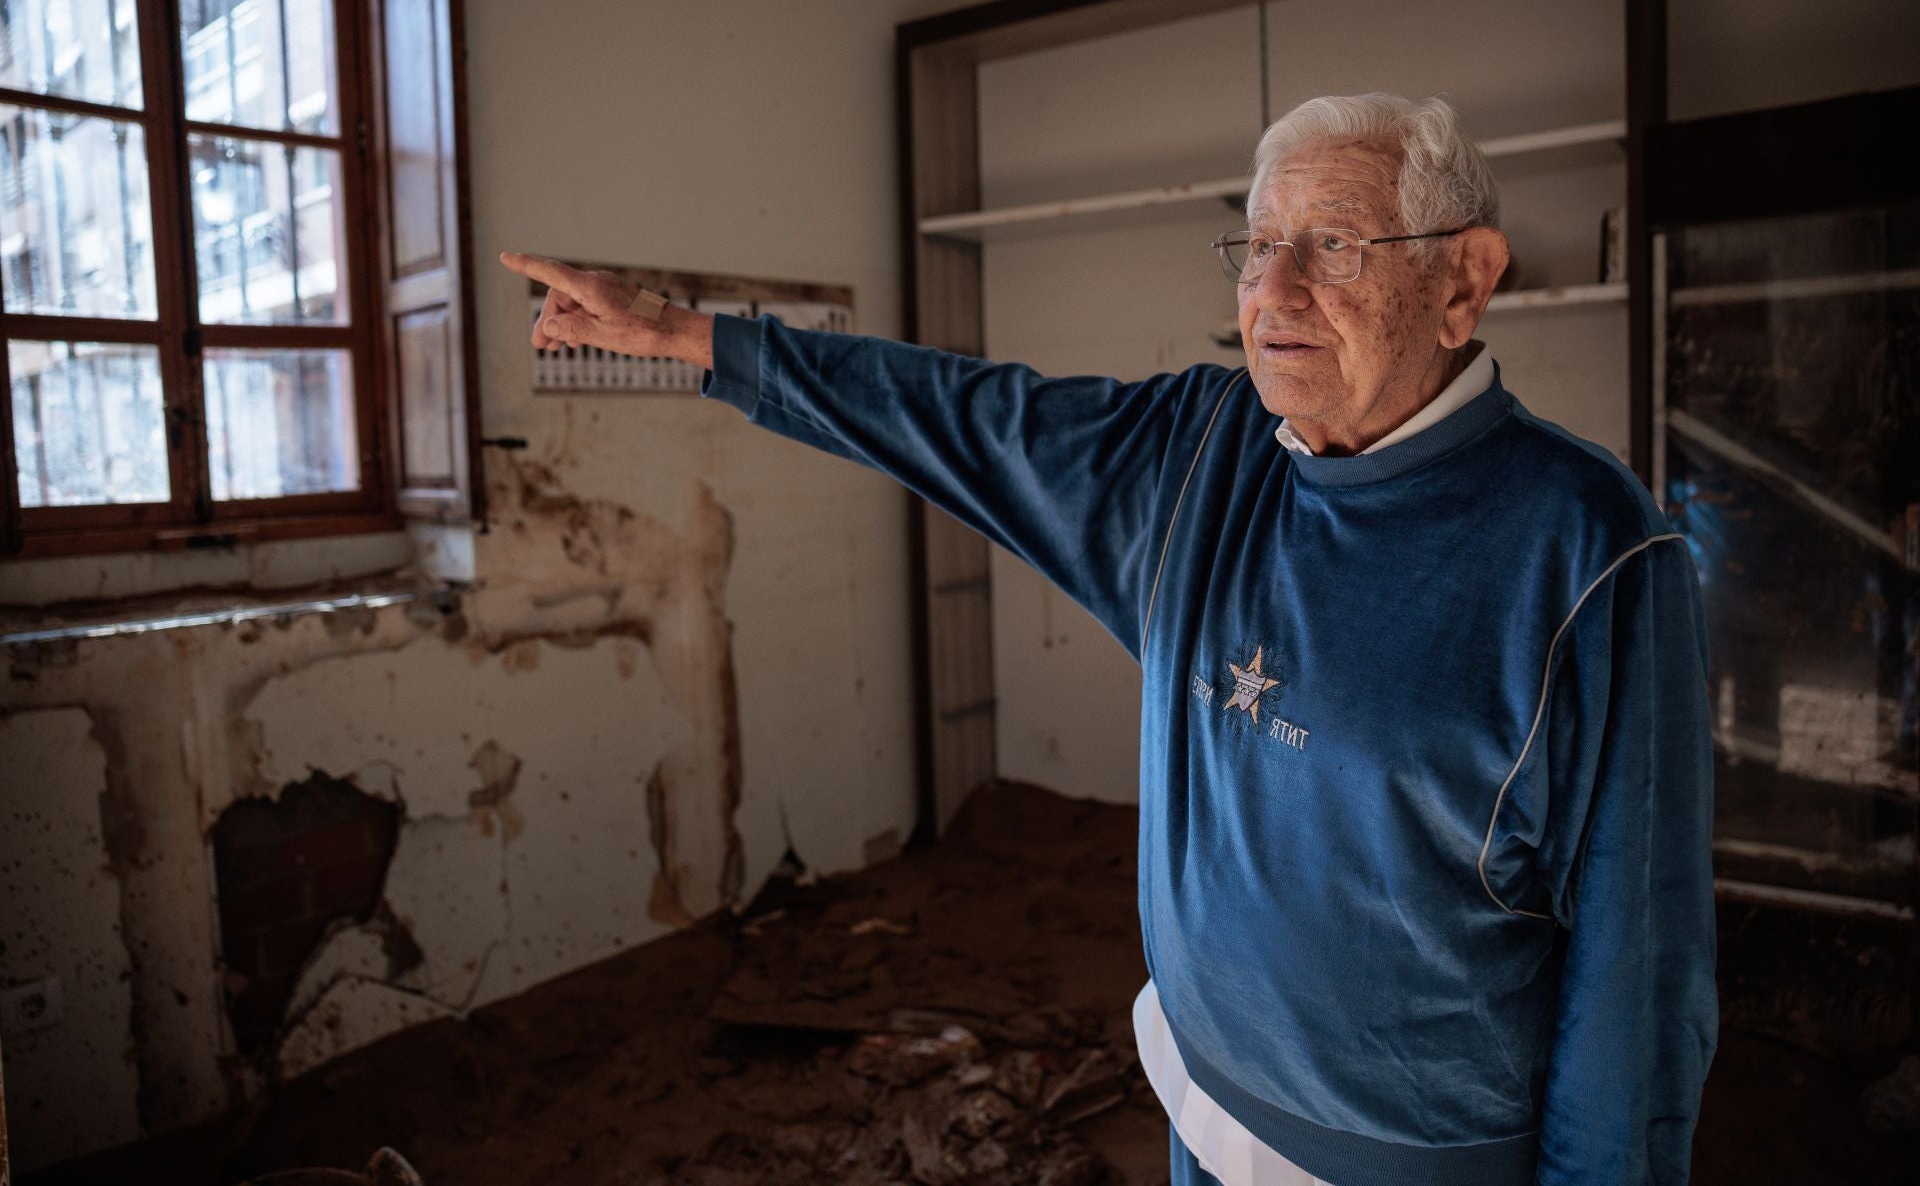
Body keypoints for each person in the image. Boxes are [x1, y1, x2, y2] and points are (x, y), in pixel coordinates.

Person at [501, 92, 1718, 1186]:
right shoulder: (1200, 452)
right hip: (1195, 1104)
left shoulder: (1592, 547)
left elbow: (1642, 976)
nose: (1273, 292)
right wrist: (690, 336)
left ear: (1465, 282)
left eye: (1334, 245)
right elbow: (961, 419)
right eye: (1256, 246)